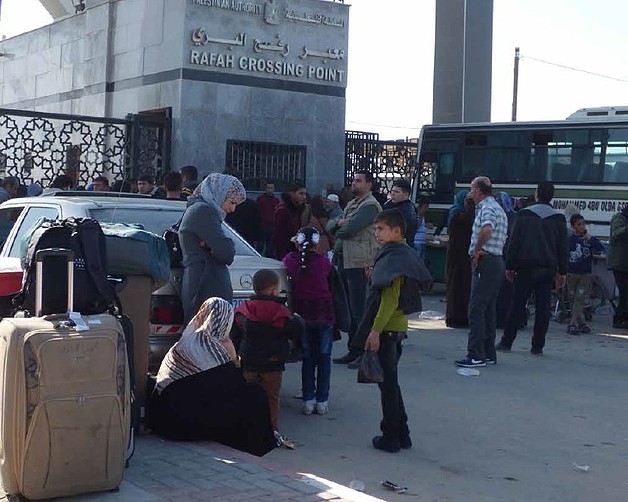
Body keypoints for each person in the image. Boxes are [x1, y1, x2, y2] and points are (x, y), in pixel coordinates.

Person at [149, 297, 276, 456]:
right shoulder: (214, 349)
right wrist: (234, 358)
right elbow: (236, 386)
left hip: (164, 420)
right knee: (255, 395)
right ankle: (256, 449)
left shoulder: (185, 342)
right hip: (183, 426)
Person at [360, 209, 431, 452]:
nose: (376, 233)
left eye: (381, 229)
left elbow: (390, 299)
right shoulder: (401, 252)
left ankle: (391, 436)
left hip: (388, 328)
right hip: (396, 328)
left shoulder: (393, 257)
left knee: (387, 386)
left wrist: (375, 331)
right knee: (390, 383)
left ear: (396, 231)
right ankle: (402, 432)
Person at [230, 269, 304, 446]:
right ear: (273, 290)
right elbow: (295, 333)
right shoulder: (283, 312)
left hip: (249, 361)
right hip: (273, 363)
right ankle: (271, 432)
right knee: (271, 398)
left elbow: (235, 335)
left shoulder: (244, 310)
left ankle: (246, 430)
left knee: (248, 396)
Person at [496, 181, 568, 355]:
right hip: (548, 268)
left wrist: (510, 265)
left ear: (537, 194)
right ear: (552, 196)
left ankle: (507, 341)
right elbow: (563, 247)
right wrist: (562, 271)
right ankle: (537, 346)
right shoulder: (558, 218)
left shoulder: (524, 215)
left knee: (517, 305)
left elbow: (514, 242)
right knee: (543, 308)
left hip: (525, 266)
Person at [326, 171, 381, 365]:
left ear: (369, 185)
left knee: (360, 311)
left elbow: (349, 229)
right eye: (353, 181)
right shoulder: (352, 205)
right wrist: (340, 222)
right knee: (349, 310)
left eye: (359, 181)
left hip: (360, 263)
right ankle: (353, 349)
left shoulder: (370, 206)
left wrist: (340, 225)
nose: (354, 184)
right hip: (345, 260)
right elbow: (330, 225)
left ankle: (363, 352)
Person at [455, 176, 508, 368]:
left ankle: (475, 354)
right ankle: (488, 353)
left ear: (478, 190)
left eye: (471, 189)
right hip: (495, 261)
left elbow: (486, 229)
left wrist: (477, 249)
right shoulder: (498, 207)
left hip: (486, 261)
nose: (470, 193)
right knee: (488, 308)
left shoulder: (487, 208)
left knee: (477, 308)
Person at [179, 173, 246, 324]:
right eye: (232, 202)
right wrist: (226, 246)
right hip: (205, 287)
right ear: (219, 194)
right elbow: (227, 253)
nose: (233, 209)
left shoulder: (203, 210)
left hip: (205, 283)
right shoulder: (203, 211)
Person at [283, 226, 335, 415]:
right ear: (317, 243)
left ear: (296, 243)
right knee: (324, 358)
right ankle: (322, 400)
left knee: (308, 357)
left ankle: (308, 399)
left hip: (302, 314)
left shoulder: (289, 261)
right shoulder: (324, 262)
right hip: (325, 313)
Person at [566, 214, 604, 334]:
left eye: (583, 224)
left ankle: (572, 323)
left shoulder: (588, 239)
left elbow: (600, 247)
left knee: (580, 297)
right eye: (579, 224)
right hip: (571, 273)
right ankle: (580, 321)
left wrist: (590, 239)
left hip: (585, 274)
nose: (582, 226)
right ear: (573, 227)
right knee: (572, 298)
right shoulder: (570, 240)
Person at [445, 190, 474, 328]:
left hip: (457, 256)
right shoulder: (462, 215)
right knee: (461, 287)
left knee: (457, 288)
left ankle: (456, 317)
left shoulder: (456, 213)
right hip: (462, 256)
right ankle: (459, 317)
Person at [271, 182, 311, 260]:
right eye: (301, 194)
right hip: (287, 252)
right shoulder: (283, 210)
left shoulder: (299, 209)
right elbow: (279, 236)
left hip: (296, 249)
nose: (304, 197)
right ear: (292, 194)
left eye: (305, 194)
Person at [607, 205, 628, 328]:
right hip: (619, 262)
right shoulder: (619, 218)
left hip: (624, 262)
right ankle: (619, 318)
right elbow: (616, 233)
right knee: (624, 291)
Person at [384, 179, 417, 246]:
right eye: (392, 191)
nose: (392, 194)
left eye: (396, 192)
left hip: (398, 248)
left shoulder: (401, 211)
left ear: (405, 195)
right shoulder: (410, 207)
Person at [256, 181, 280, 257]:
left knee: (270, 246)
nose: (270, 189)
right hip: (262, 224)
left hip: (272, 225)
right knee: (260, 244)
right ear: (265, 189)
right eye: (268, 188)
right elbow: (257, 211)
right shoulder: (260, 199)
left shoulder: (276, 201)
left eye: (271, 188)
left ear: (274, 189)